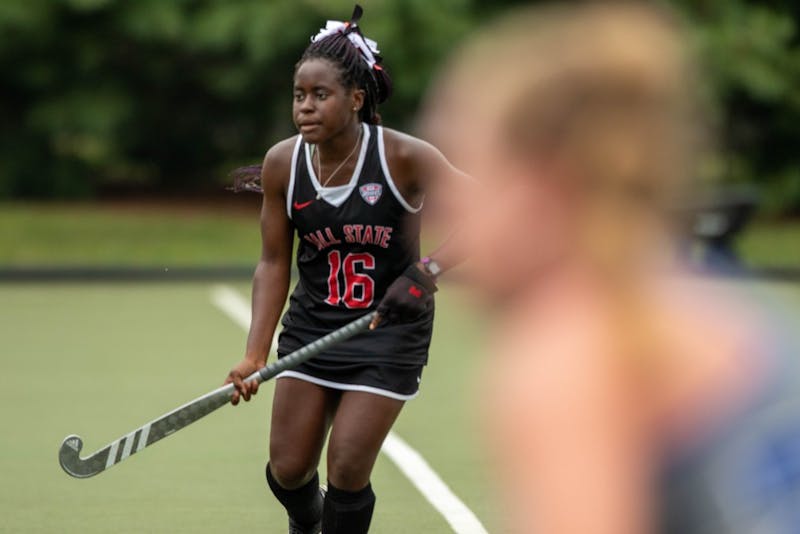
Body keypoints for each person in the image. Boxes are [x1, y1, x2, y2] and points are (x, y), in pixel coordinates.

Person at [423, 3, 800, 533]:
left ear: (541, 185)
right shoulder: (726, 310)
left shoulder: (567, 355)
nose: (441, 210)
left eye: (465, 172)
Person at [223, 6, 462, 534]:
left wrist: (425, 272)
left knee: (348, 466)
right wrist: (255, 355)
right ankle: (307, 524)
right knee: (288, 470)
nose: (305, 107)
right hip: (314, 327)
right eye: (299, 95)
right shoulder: (283, 163)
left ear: (356, 99)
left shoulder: (403, 157)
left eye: (320, 95)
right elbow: (273, 261)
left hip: (387, 332)